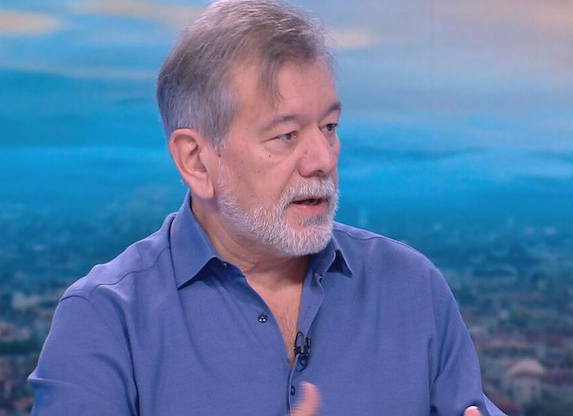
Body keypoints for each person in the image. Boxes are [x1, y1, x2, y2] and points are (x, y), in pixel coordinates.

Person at [28, 1, 506, 415]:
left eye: (329, 127)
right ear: (196, 160)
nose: (322, 159)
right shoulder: (103, 321)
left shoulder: (411, 288)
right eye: (286, 135)